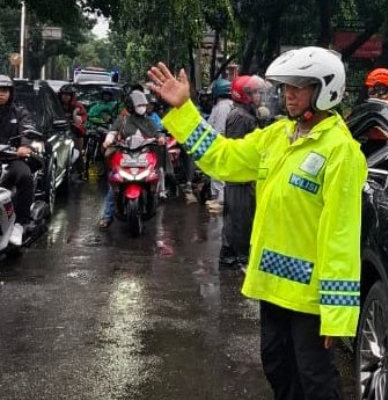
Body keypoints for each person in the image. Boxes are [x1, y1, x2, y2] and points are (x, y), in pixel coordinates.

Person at [148, 46, 367, 400]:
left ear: (325, 89)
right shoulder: (277, 137)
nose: (289, 94)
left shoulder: (340, 152)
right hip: (272, 288)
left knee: (315, 380)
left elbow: (341, 236)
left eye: (299, 86)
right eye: (286, 86)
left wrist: (337, 314)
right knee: (276, 366)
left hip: (310, 300)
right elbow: (222, 158)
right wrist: (183, 111)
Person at [217, 75, 270, 269]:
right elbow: (239, 148)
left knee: (243, 217)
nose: (258, 96)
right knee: (238, 218)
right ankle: (233, 256)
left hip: (245, 176)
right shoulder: (240, 116)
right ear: (244, 94)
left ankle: (236, 254)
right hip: (239, 177)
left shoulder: (248, 113)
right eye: (254, 92)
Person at [97, 91, 165, 229]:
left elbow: (157, 133)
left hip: (144, 155)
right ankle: (107, 216)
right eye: (139, 105)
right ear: (131, 106)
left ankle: (159, 194)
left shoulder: (149, 121)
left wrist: (160, 138)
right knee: (114, 183)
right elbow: (112, 132)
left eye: (143, 105)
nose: (142, 107)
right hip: (125, 154)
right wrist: (108, 141)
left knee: (156, 175)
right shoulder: (123, 120)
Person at [0, 75, 36, 240]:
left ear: (10, 93)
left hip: (12, 158)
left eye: (5, 90)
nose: (1, 93)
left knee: (25, 176)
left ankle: (21, 222)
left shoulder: (19, 112)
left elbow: (27, 130)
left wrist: (24, 145)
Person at [204, 78, 234, 209]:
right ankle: (218, 197)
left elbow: (220, 129)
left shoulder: (222, 107)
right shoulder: (227, 104)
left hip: (219, 143)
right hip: (223, 143)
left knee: (218, 173)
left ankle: (220, 199)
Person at [58, 85, 88, 179]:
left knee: (78, 153)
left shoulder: (78, 106)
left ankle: (81, 172)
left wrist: (75, 114)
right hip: (59, 132)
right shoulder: (56, 105)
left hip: (75, 132)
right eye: (64, 95)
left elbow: (81, 120)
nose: (65, 97)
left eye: (68, 95)